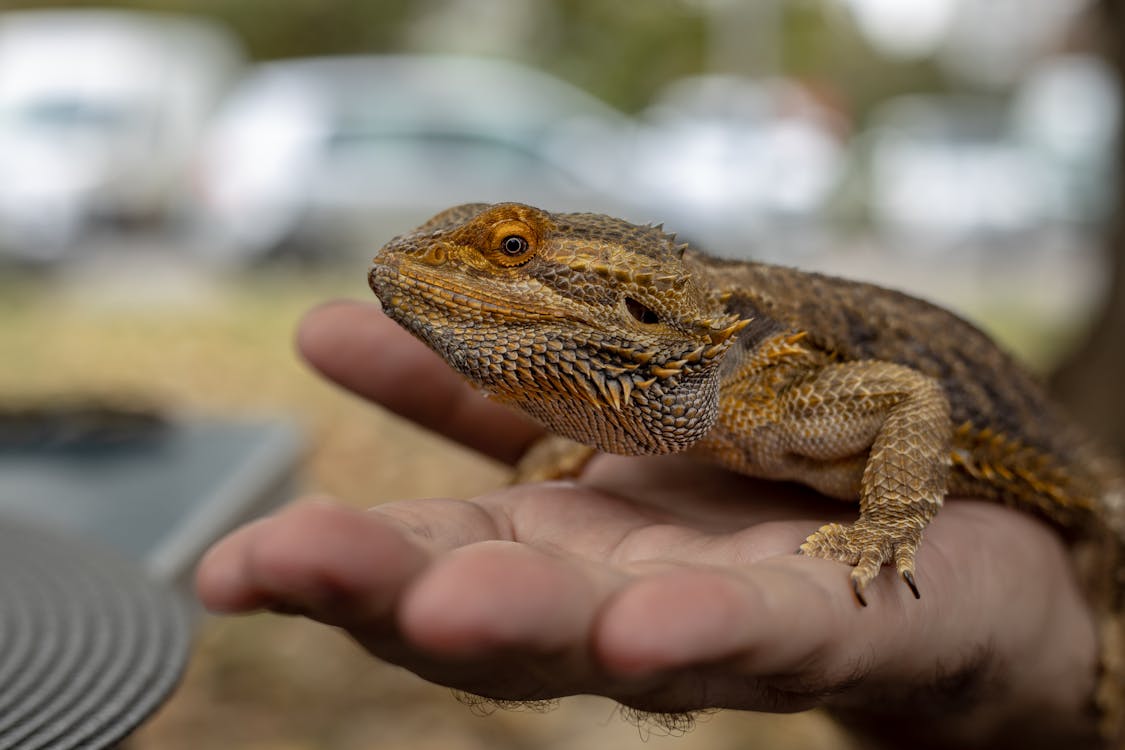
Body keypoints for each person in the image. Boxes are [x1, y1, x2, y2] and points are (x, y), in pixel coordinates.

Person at [196, 301, 1105, 749]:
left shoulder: (768, 388)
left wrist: (892, 520)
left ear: (637, 307)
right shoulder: (696, 388)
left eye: (511, 250)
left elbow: (907, 395)